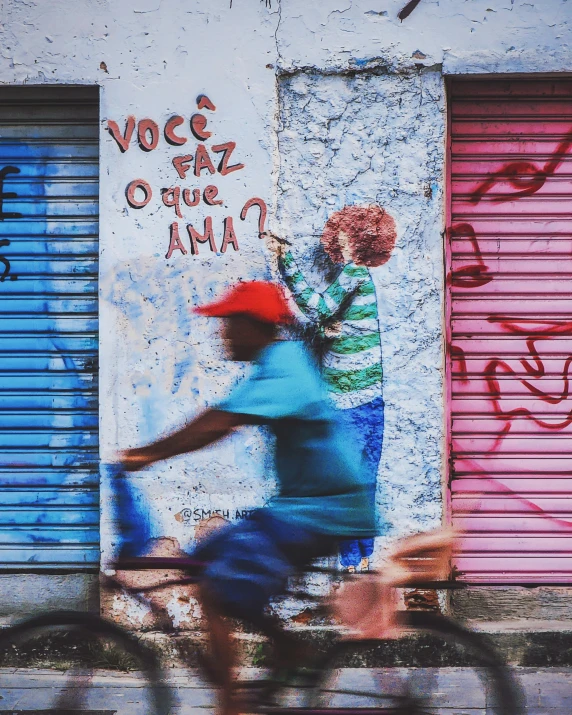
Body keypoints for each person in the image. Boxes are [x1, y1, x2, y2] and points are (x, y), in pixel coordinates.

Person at [120, 280, 377, 715]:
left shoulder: (286, 364)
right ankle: (273, 660)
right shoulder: (276, 363)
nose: (222, 334)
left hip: (324, 511)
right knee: (209, 561)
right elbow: (223, 418)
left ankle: (236, 700)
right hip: (305, 508)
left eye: (229, 324)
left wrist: (145, 455)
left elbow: (218, 423)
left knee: (219, 584)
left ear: (254, 326)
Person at [265, 205, 397, 572]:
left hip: (349, 403)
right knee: (362, 482)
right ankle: (363, 562)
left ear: (357, 239)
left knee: (344, 485)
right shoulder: (361, 281)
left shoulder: (355, 273)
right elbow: (342, 327)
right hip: (370, 399)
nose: (336, 236)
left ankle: (352, 566)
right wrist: (330, 332)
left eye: (343, 231)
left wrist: (285, 260)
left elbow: (318, 307)